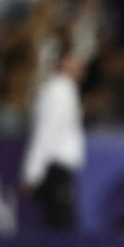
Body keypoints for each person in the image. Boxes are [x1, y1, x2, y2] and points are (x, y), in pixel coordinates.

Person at [21, 39, 87, 231]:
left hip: (58, 171)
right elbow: (46, 133)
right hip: (54, 170)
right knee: (61, 226)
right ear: (64, 62)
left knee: (62, 224)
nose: (82, 66)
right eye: (76, 61)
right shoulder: (59, 90)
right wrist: (33, 173)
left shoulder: (67, 89)